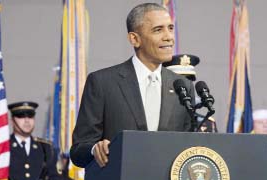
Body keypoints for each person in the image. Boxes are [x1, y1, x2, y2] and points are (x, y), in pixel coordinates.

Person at [70, 3, 194, 168]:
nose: (169, 37)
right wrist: (94, 149)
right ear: (134, 39)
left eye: (170, 28)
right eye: (158, 30)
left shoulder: (183, 86)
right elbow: (78, 150)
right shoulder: (102, 82)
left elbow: (190, 147)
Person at [163, 53, 218, 132]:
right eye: (179, 83)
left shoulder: (207, 124)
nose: (185, 86)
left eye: (188, 80)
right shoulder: (160, 120)